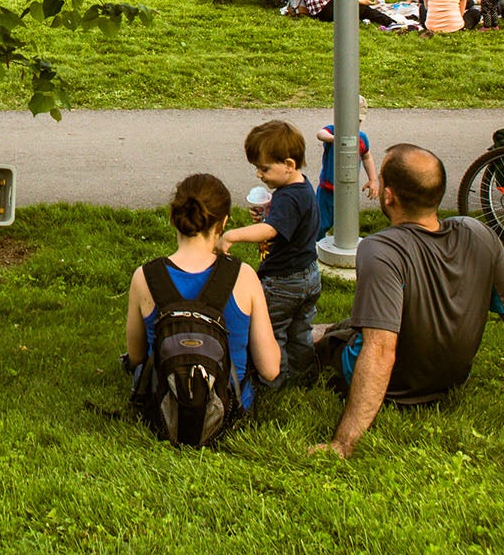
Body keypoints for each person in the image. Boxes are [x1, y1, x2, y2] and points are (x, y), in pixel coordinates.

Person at [311, 145, 504, 457]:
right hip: (451, 379)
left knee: (323, 336)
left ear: (389, 196)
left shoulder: (381, 249)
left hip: (395, 389)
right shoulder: (478, 233)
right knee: (351, 325)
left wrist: (343, 443)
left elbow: (381, 350)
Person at [123, 174, 281, 432]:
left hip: (164, 405)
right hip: (229, 408)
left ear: (173, 218)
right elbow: (270, 369)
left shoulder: (145, 277)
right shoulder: (243, 276)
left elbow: (137, 355)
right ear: (224, 222)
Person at [221, 121, 320, 390]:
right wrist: (267, 214)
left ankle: (274, 382)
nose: (259, 175)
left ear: (288, 164)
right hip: (309, 276)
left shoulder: (288, 198)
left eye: (264, 168)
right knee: (300, 332)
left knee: (272, 333)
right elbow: (288, 224)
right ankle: (305, 376)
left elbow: (271, 230)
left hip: (283, 281)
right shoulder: (301, 188)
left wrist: (232, 235)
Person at [315, 100, 378, 239]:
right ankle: (316, 245)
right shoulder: (332, 130)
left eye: (358, 121)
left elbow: (367, 157)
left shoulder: (361, 138)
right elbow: (320, 134)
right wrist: (333, 139)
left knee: (347, 225)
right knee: (319, 224)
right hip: (327, 190)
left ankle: (342, 243)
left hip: (349, 191)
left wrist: (372, 180)